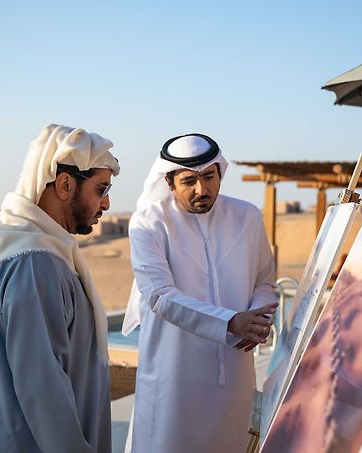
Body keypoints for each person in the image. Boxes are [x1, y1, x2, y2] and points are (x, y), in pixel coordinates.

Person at [0, 124, 120, 453]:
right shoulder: (34, 263)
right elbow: (42, 385)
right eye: (101, 189)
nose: (107, 203)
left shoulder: (37, 253)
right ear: (65, 184)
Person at [122, 133, 277, 453]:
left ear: (221, 173)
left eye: (209, 177)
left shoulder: (247, 216)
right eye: (188, 180)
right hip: (174, 374)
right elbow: (159, 296)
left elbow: (264, 280)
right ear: (169, 181)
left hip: (234, 373)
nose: (201, 190)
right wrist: (231, 322)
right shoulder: (149, 223)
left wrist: (258, 318)